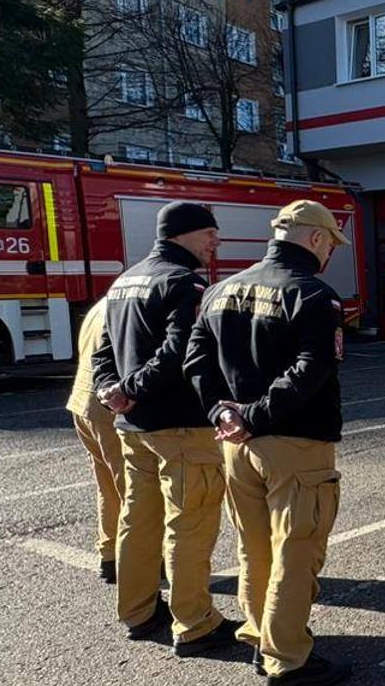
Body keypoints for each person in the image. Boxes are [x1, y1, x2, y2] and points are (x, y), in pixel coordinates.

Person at [185, 200, 350, 684]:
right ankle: (287, 658)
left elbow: (196, 362)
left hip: (235, 443)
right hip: (294, 444)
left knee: (253, 548)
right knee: (297, 551)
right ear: (316, 240)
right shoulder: (314, 295)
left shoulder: (219, 290)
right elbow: (312, 369)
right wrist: (255, 416)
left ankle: (259, 635)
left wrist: (222, 411)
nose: (330, 255)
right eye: (331, 245)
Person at [92, 201, 238, 653]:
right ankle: (194, 624)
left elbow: (102, 350)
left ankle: (138, 612)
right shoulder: (185, 282)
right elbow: (181, 351)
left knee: (138, 519)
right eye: (209, 233)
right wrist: (131, 388)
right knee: (190, 525)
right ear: (182, 234)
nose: (216, 242)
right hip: (179, 426)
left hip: (134, 426)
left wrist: (111, 390)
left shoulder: (124, 280)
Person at [65, 295, 123, 585]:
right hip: (114, 410)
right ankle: (142, 561)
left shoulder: (101, 304)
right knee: (137, 494)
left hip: (84, 403)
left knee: (108, 487)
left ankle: (110, 555)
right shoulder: (129, 304)